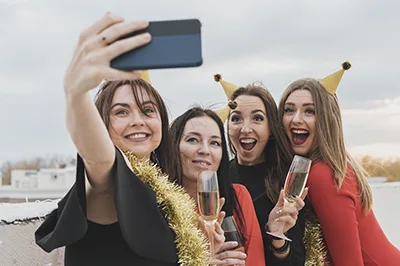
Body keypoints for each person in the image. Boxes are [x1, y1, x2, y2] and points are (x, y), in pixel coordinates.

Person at [34, 13, 222, 266]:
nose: (138, 120)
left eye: (147, 110)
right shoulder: (108, 180)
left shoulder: (160, 191)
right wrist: (76, 93)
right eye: (121, 111)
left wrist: (204, 255)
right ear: (102, 123)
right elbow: (97, 157)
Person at [278, 61, 400, 265]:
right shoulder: (325, 168)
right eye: (289, 110)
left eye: (310, 111)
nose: (296, 119)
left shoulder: (323, 174)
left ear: (327, 120)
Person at [214, 75, 307, 265]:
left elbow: (297, 261)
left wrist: (278, 237)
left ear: (271, 127)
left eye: (257, 118)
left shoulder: (287, 183)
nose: (245, 129)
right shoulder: (216, 177)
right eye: (236, 118)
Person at [170, 107, 266, 265]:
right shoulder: (159, 203)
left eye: (214, 143)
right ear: (173, 145)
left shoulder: (238, 196)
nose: (205, 150)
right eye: (193, 140)